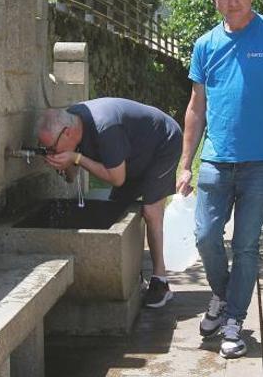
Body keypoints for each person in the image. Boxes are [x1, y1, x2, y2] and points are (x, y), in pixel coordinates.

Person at [176, 0, 263, 359]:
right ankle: (223, 296)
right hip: (215, 159)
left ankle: (233, 321)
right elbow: (196, 107)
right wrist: (184, 163)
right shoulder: (205, 45)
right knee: (206, 236)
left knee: (245, 246)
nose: (232, 1)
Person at [37, 97, 183, 308]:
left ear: (67, 133)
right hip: (131, 154)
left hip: (162, 143)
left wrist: (76, 159)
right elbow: (71, 175)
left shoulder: (105, 127)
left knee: (151, 211)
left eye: (51, 148)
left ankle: (160, 281)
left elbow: (117, 178)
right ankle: (132, 275)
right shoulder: (72, 121)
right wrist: (64, 163)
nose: (50, 152)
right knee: (117, 209)